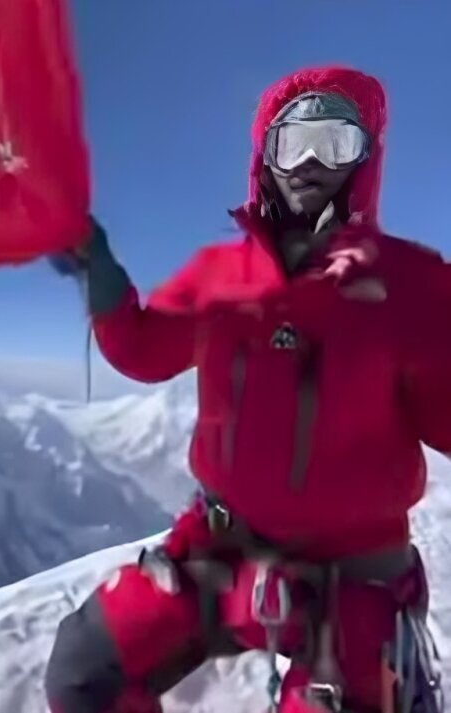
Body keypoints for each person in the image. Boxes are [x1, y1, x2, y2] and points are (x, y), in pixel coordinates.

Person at [44, 66, 450, 713]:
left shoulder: (415, 287)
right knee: (82, 674)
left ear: (368, 157)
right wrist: (103, 277)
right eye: (295, 142)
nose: (313, 162)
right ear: (265, 156)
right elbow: (146, 351)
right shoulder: (217, 276)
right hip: (220, 550)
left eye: (336, 141)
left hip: (353, 578)